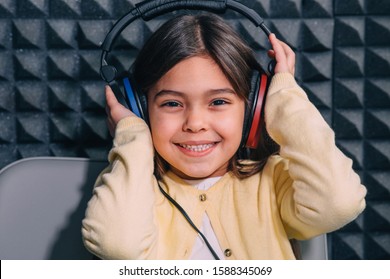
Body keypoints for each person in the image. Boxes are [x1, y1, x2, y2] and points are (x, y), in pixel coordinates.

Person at [81, 13, 366, 260]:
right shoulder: (133, 189)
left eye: (218, 102)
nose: (195, 123)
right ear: (140, 110)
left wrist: (284, 96)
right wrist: (134, 139)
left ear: (254, 107)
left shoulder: (274, 182)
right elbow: (117, 245)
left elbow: (339, 202)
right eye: (171, 104)